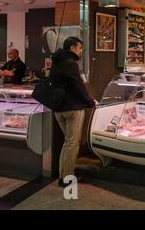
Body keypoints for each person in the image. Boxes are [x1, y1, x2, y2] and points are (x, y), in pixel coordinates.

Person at [49, 37, 97, 187]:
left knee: (67, 142)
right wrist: (90, 101)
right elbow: (77, 85)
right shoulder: (71, 63)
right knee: (72, 143)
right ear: (72, 48)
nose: (81, 50)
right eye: (79, 47)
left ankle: (63, 175)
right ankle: (68, 178)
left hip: (58, 109)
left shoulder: (56, 62)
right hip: (72, 108)